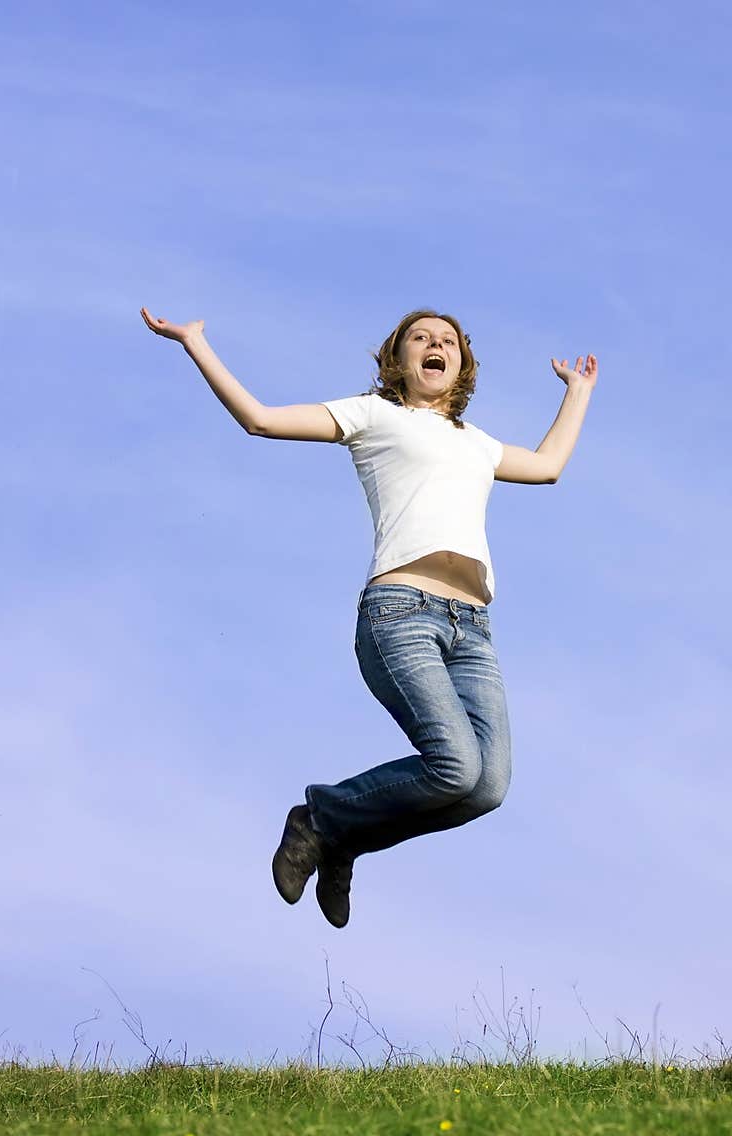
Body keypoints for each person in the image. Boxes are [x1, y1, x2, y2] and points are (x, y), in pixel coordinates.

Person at [140, 304, 598, 928]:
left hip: (473, 630)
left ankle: (343, 841)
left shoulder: (478, 443)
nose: (436, 346)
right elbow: (260, 420)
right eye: (421, 339)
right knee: (456, 765)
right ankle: (318, 818)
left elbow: (546, 467)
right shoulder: (373, 414)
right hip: (401, 616)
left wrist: (578, 392)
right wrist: (195, 344)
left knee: (486, 787)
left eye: (448, 342)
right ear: (399, 360)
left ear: (461, 365)